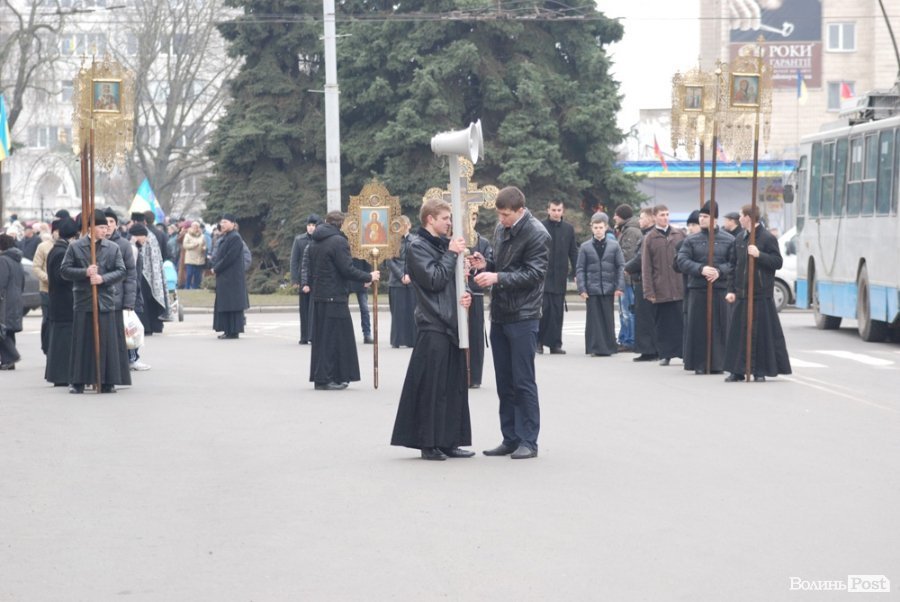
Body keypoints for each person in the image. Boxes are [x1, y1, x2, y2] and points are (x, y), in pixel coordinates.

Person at [390, 198, 474, 460]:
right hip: (433, 323)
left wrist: (465, 294)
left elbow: (452, 281)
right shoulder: (417, 247)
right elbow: (434, 279)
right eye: (445, 218)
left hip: (452, 322)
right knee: (433, 387)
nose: (449, 223)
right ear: (430, 219)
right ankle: (429, 443)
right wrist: (451, 254)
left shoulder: (441, 245)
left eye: (449, 218)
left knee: (452, 386)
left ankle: (449, 440)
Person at [471, 186, 550, 460]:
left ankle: (529, 440)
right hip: (501, 313)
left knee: (523, 381)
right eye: (499, 214)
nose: (501, 219)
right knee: (504, 381)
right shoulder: (501, 228)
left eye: (506, 215)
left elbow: (535, 274)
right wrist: (485, 264)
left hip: (524, 315)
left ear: (520, 210)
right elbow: (500, 261)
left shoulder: (538, 233)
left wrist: (497, 278)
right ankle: (510, 437)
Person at [60, 210, 131, 393]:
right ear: (91, 227)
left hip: (105, 300)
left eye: (106, 227)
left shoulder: (112, 247)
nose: (105, 230)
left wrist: (103, 279)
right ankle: (78, 381)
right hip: (84, 300)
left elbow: (122, 271)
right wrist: (84, 272)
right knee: (82, 342)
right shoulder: (75, 247)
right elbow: (65, 270)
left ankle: (107, 381)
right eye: (101, 227)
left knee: (107, 342)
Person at [307, 211, 380, 390]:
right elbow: (346, 269)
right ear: (341, 224)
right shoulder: (338, 241)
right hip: (335, 296)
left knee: (323, 338)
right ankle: (326, 378)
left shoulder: (315, 241)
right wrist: (369, 276)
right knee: (333, 339)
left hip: (320, 295)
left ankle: (326, 376)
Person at [723, 204, 792, 382]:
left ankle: (760, 370)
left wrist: (759, 255)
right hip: (742, 294)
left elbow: (777, 262)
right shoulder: (739, 238)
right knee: (738, 334)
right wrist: (731, 290)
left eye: (741, 215)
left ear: (748, 217)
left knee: (761, 335)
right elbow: (733, 265)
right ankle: (737, 370)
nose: (739, 219)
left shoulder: (767, 238)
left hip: (761, 295)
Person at [675, 201, 734, 375]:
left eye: (705, 216)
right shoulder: (691, 240)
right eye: (700, 216)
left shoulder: (728, 239)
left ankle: (719, 363)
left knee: (720, 327)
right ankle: (699, 363)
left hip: (720, 289)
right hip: (698, 289)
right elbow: (682, 260)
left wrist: (719, 271)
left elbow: (734, 262)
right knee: (698, 328)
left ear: (714, 219)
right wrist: (700, 269)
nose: (701, 219)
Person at [641, 204, 686, 366]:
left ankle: (684, 353)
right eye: (662, 215)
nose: (665, 218)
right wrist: (649, 291)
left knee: (681, 322)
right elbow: (646, 267)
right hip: (661, 288)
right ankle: (666, 354)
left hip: (679, 286)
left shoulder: (679, 234)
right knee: (663, 324)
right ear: (655, 217)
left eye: (667, 214)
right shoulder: (650, 238)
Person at [576, 212, 625, 357]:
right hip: (592, 288)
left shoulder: (614, 246)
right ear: (592, 228)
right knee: (594, 319)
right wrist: (582, 288)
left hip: (608, 287)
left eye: (601, 227)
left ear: (606, 227)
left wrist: (619, 286)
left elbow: (620, 266)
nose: (598, 230)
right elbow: (580, 269)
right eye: (595, 227)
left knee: (608, 318)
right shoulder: (585, 247)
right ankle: (595, 347)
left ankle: (609, 347)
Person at [104, 208, 144, 370]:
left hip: (119, 298)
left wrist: (129, 302)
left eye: (111, 221)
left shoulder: (124, 245)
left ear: (116, 224)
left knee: (125, 333)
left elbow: (131, 276)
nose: (107, 225)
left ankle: (130, 360)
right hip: (101, 299)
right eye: (104, 222)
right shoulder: (93, 244)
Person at [537, 200, 578, 354]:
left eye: (559, 210)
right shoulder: (540, 227)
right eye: (553, 210)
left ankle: (555, 344)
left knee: (557, 312)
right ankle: (539, 342)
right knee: (543, 311)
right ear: (548, 210)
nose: (556, 213)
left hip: (560, 277)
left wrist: (577, 272)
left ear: (563, 211)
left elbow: (573, 252)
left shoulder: (568, 229)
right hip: (543, 276)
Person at [44, 219, 79, 386]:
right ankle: (61, 376)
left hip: (59, 302)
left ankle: (60, 376)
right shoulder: (61, 252)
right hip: (63, 302)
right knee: (62, 343)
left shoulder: (57, 249)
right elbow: (62, 277)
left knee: (60, 341)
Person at [624, 207, 658, 362]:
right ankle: (652, 350)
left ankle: (648, 350)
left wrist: (626, 268)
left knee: (644, 318)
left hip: (644, 281)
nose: (640, 220)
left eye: (642, 217)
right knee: (648, 317)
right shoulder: (649, 235)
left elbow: (639, 258)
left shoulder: (648, 236)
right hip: (647, 280)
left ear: (650, 218)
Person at [211, 214, 249, 339]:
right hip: (225, 277)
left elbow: (229, 257)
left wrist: (216, 268)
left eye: (225, 222)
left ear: (233, 224)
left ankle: (233, 331)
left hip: (232, 278)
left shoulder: (235, 238)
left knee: (233, 305)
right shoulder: (226, 237)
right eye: (221, 222)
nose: (222, 224)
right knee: (226, 304)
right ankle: (228, 330)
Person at [466, 211, 493, 389]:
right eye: (467, 217)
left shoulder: (483, 242)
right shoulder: (453, 241)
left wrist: (477, 267)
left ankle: (474, 376)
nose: (470, 221)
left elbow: (489, 265)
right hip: (457, 294)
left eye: (474, 218)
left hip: (475, 293)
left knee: (475, 336)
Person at [613, 204, 641, 352]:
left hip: (627, 278)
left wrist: (612, 258)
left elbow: (627, 255)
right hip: (625, 277)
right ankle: (624, 338)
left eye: (616, 215)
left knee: (627, 311)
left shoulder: (630, 231)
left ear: (622, 216)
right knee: (625, 311)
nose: (614, 218)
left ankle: (629, 340)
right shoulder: (627, 229)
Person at [387, 215, 417, 348]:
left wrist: (410, 275)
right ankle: (397, 340)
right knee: (397, 313)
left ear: (409, 226)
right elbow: (389, 261)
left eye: (405, 224)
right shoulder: (392, 241)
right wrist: (401, 276)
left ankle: (412, 340)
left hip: (412, 281)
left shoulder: (415, 241)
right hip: (396, 281)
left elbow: (418, 260)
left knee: (412, 311)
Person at [290, 214, 319, 344]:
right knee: (304, 308)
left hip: (316, 278)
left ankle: (312, 335)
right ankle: (304, 336)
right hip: (303, 277)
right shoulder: (299, 240)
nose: (311, 228)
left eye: (313, 225)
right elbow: (294, 261)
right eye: (309, 225)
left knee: (314, 309)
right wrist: (295, 280)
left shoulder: (319, 240)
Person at [0, 234, 25, 370]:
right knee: (9, 330)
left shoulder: (3, 260)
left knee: (2, 329)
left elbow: (1, 282)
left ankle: (12, 357)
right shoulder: (16, 260)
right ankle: (8, 362)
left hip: (5, 300)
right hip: (16, 298)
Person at [32, 223, 57, 355]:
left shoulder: (69, 245)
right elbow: (36, 267)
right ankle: (46, 346)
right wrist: (47, 277)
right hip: (46, 289)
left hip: (62, 290)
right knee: (47, 319)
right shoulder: (43, 246)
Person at [349, 257, 374, 344]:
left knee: (365, 309)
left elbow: (367, 259)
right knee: (343, 309)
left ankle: (367, 334)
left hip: (361, 279)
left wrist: (368, 277)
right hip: (348, 279)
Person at [181, 221, 207, 290]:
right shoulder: (187, 235)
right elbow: (185, 245)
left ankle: (195, 287)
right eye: (194, 227)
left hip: (199, 258)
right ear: (191, 227)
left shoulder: (202, 236)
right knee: (189, 274)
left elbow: (204, 245)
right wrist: (193, 245)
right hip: (190, 258)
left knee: (197, 275)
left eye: (197, 227)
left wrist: (204, 248)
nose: (196, 228)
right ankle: (187, 287)